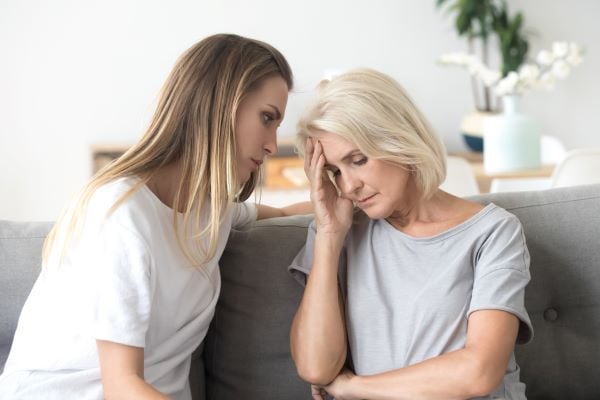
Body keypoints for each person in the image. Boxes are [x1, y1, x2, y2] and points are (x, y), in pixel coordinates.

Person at [0, 33, 311, 400]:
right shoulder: (121, 215)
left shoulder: (209, 211)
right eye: (267, 118)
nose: (273, 144)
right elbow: (121, 386)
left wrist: (346, 197)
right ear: (221, 104)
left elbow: (284, 212)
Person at [289, 68, 533, 400]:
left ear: (399, 139)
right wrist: (330, 237)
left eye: (358, 160)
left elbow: (479, 372)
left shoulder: (493, 232)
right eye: (334, 171)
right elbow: (316, 368)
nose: (348, 186)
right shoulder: (337, 229)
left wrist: (353, 388)